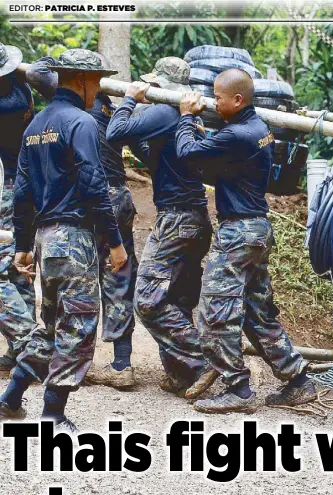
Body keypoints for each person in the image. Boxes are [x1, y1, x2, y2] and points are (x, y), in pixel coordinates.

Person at [0, 49, 128, 432]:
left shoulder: (35, 124)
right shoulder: (81, 122)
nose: (99, 88)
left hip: (44, 240)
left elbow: (21, 193)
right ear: (83, 80)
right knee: (80, 326)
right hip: (74, 241)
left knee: (51, 325)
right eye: (98, 81)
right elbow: (94, 186)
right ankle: (53, 413)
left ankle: (11, 397)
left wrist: (23, 245)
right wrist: (116, 241)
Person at [175, 68, 317, 414]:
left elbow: (186, 154)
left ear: (237, 100)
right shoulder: (259, 129)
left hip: (238, 232)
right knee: (257, 312)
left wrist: (185, 118)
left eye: (218, 97)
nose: (213, 102)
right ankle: (298, 381)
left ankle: (237, 388)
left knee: (214, 312)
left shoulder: (236, 134)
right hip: (257, 229)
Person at [29, 51, 142, 390]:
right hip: (119, 193)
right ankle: (122, 364)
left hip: (89, 197)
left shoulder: (71, 106)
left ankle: (56, 358)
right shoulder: (104, 98)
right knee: (118, 275)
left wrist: (55, 60)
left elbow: (36, 71)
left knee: (74, 277)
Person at [106, 57, 214, 400]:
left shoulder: (167, 111)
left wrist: (129, 100)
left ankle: (202, 359)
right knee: (179, 299)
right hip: (195, 217)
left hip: (177, 219)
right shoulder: (184, 118)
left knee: (148, 300)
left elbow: (114, 134)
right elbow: (148, 150)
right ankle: (183, 375)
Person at [0, 44, 54, 375]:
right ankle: (22, 349)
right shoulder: (20, 86)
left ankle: (26, 345)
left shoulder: (10, 102)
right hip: (25, 186)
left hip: (11, 191)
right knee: (17, 267)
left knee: (3, 268)